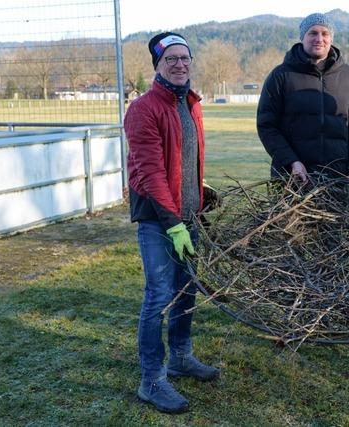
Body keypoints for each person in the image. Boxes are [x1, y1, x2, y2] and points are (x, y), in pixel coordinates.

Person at [124, 31, 221, 413]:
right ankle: (152, 379)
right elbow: (150, 173)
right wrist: (173, 222)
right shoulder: (144, 108)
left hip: (189, 215)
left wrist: (198, 192)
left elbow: (184, 159)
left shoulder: (191, 103)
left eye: (185, 58)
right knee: (159, 297)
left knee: (187, 291)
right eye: (171, 59)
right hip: (159, 220)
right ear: (158, 66)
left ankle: (181, 356)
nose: (180, 64)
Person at [257, 13, 349, 185]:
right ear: (302, 37)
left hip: (336, 179)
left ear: (331, 38)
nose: (319, 38)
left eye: (325, 34)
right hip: (292, 180)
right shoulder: (280, 76)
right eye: (313, 33)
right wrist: (291, 162)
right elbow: (267, 126)